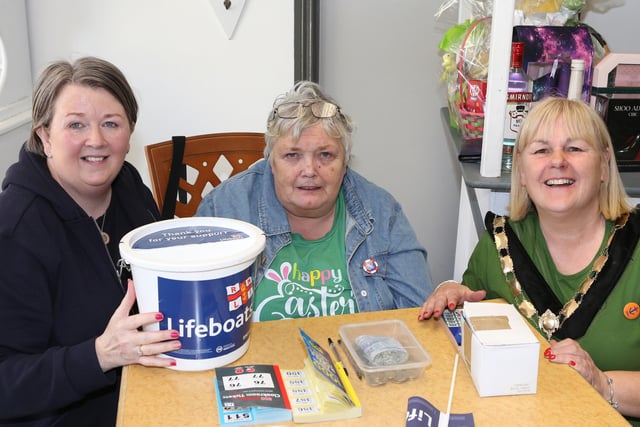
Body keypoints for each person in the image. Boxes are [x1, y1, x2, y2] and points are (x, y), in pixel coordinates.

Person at [419, 97, 640, 424]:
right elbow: (464, 356)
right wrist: (451, 296)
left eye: (575, 148)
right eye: (541, 150)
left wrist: (601, 382)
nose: (558, 161)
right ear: (522, 171)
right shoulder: (496, 248)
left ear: (605, 164)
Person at [0, 57, 181, 426]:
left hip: (149, 400)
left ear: (130, 134)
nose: (96, 140)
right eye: (76, 125)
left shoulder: (129, 187)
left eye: (110, 124)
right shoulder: (14, 229)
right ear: (45, 137)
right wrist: (99, 355)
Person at [196, 81, 433, 320]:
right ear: (271, 162)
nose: (309, 170)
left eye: (325, 155)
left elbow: (418, 314)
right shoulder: (223, 209)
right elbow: (193, 315)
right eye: (292, 155)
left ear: (345, 164)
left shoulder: (381, 211)